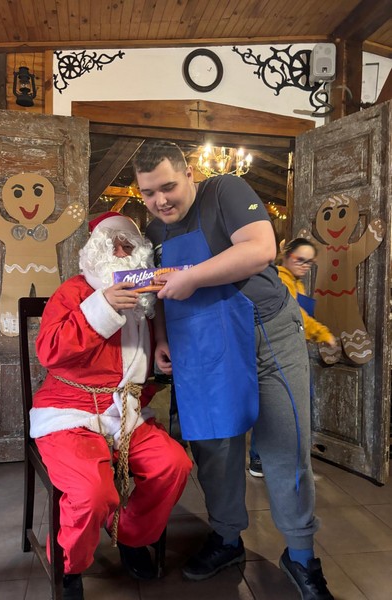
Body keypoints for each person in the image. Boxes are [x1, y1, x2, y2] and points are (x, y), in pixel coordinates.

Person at [133, 141, 334, 600]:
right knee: (215, 449)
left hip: (267, 334)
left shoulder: (224, 190)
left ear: (189, 174)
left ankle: (301, 555)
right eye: (149, 192)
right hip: (203, 343)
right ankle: (226, 538)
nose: (160, 200)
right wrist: (161, 337)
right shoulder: (153, 231)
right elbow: (159, 289)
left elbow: (260, 248)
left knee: (285, 445)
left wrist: (192, 277)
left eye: (168, 187)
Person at [30, 211, 192, 600]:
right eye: (112, 245)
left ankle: (129, 534)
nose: (120, 251)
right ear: (94, 251)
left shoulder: (145, 301)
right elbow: (48, 351)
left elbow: (135, 368)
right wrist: (101, 306)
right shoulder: (72, 292)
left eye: (128, 245)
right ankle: (69, 565)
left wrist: (160, 358)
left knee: (174, 465)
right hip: (69, 414)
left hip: (127, 414)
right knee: (93, 494)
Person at [248, 237, 337, 478]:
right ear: (287, 256)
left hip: (292, 349)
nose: (305, 265)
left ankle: (274, 459)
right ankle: (259, 458)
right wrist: (323, 334)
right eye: (300, 260)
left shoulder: (298, 283)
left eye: (309, 262)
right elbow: (298, 317)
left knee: (280, 406)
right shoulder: (280, 281)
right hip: (278, 352)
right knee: (273, 405)